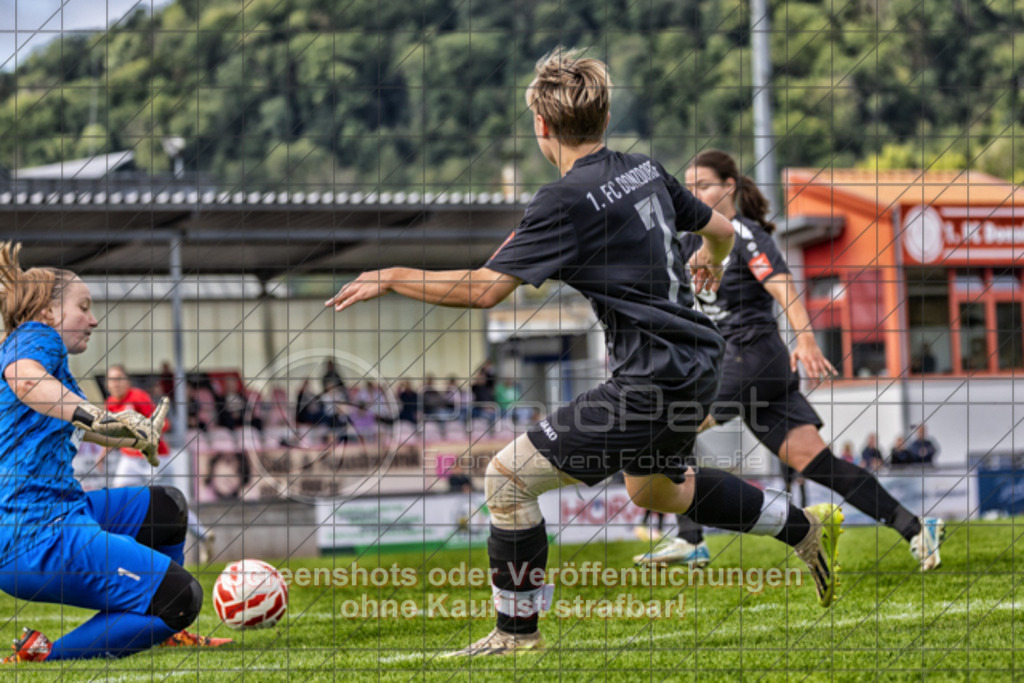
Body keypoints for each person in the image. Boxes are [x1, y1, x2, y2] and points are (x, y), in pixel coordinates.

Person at [327, 49, 843, 656]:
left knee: (508, 479)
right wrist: (713, 259)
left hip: (651, 379)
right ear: (602, 117)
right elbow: (724, 231)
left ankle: (515, 635)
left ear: (542, 128)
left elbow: (484, 289)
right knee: (656, 490)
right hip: (701, 364)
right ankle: (800, 525)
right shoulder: (645, 169)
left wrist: (391, 273)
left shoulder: (561, 201)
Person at [633, 149, 944, 573]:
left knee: (674, 424)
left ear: (729, 187)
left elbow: (783, 287)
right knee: (818, 464)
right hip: (757, 372)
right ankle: (915, 527)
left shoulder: (743, 234)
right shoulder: (686, 240)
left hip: (751, 358)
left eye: (702, 184)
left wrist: (807, 339)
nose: (693, 193)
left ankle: (691, 539)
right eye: (687, 186)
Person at [0, 241, 230, 663]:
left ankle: (159, 628)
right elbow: (25, 380)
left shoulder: (37, 353)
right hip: (40, 536)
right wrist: (100, 419)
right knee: (183, 598)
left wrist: (133, 435)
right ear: (49, 313)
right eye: (83, 307)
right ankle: (45, 657)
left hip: (45, 521)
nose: (93, 319)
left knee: (166, 508)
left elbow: (67, 419)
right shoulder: (39, 338)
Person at [99, 365, 216, 565]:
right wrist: (102, 455)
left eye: (118, 379)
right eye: (111, 380)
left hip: (155, 459)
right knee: (116, 500)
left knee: (169, 503)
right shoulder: (110, 404)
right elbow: (111, 433)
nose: (115, 384)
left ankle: (203, 535)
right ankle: (118, 553)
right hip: (130, 460)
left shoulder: (138, 397)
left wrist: (144, 433)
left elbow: (164, 424)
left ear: (127, 381)